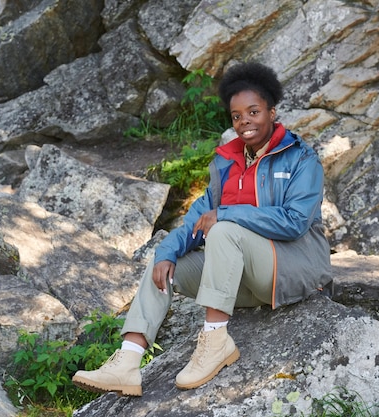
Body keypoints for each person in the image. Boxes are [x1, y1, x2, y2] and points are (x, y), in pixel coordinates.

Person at [72, 62, 332, 397]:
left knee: (223, 229)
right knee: (164, 263)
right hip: (243, 283)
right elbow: (198, 220)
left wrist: (227, 214)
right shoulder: (227, 164)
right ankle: (127, 362)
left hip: (291, 270)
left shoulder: (301, 160)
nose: (244, 122)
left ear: (272, 111)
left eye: (253, 111)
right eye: (236, 116)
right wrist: (166, 252)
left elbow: (295, 221)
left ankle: (215, 341)